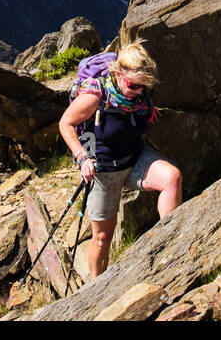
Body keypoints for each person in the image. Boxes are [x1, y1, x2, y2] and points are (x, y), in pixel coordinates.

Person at [58, 41, 182, 279]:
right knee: (103, 238)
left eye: (143, 87)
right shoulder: (95, 96)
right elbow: (66, 124)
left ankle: (170, 251)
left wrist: (148, 109)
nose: (138, 91)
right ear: (117, 73)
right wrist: (82, 157)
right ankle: (96, 289)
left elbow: (141, 99)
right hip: (103, 170)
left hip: (134, 158)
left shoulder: (140, 94)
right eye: (133, 86)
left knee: (172, 178)